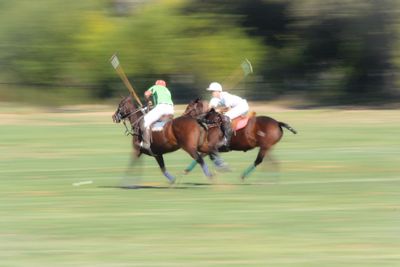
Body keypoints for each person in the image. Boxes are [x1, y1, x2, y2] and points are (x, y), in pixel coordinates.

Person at [206, 82, 249, 150]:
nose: (212, 93)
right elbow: (210, 108)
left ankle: (226, 141)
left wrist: (218, 110)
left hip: (242, 106)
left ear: (218, 91)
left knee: (225, 117)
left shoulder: (225, 96)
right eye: (211, 91)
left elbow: (228, 109)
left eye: (213, 91)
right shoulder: (214, 99)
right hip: (235, 108)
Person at [139, 80, 174, 150]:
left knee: (145, 121)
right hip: (171, 109)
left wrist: (148, 100)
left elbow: (146, 94)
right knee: (158, 124)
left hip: (161, 108)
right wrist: (150, 106)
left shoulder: (156, 87)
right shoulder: (167, 90)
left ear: (157, 84)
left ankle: (146, 143)